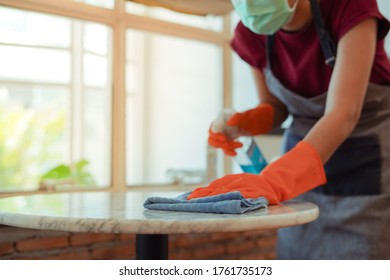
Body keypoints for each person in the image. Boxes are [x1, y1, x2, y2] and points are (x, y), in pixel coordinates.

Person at [188, 0, 390, 259]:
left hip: (364, 159)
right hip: (300, 165)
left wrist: (275, 180)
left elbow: (344, 114)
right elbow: (275, 105)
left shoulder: (348, 6)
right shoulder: (250, 33)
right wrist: (244, 122)